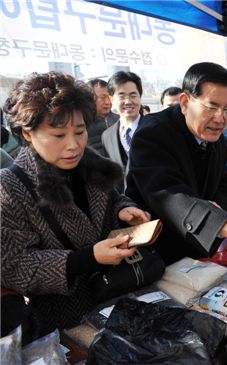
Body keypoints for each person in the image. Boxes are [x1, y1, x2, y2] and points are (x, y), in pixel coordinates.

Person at [0, 71, 151, 334]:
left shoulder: (93, 165)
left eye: (80, 132)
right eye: (58, 135)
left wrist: (125, 209)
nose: (73, 146)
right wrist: (88, 258)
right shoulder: (9, 186)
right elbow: (15, 266)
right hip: (67, 321)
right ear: (27, 133)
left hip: (120, 295)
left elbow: (113, 199)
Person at [126, 62, 227, 265]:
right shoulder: (153, 134)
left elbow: (223, 180)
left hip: (199, 250)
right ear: (185, 102)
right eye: (211, 106)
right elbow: (168, 195)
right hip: (157, 254)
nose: (220, 118)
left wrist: (217, 207)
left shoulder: (217, 141)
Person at [101, 71, 143, 192]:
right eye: (122, 96)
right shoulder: (107, 136)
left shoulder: (156, 128)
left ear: (140, 97)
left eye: (133, 95)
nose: (128, 101)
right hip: (127, 205)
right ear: (111, 99)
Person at [86, 79, 118, 154]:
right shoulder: (82, 123)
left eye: (109, 97)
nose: (107, 102)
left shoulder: (119, 120)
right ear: (90, 98)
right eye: (103, 98)